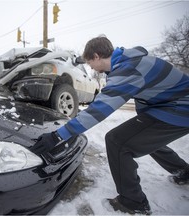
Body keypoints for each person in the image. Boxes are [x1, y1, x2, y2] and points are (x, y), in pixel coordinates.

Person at [31, 36, 189, 215]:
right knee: (143, 138)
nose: (90, 67)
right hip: (173, 107)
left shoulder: (127, 70)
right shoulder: (130, 62)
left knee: (117, 141)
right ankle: (183, 171)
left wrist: (58, 135)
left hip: (180, 109)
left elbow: (100, 109)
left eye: (90, 62)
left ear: (97, 56)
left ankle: (133, 203)